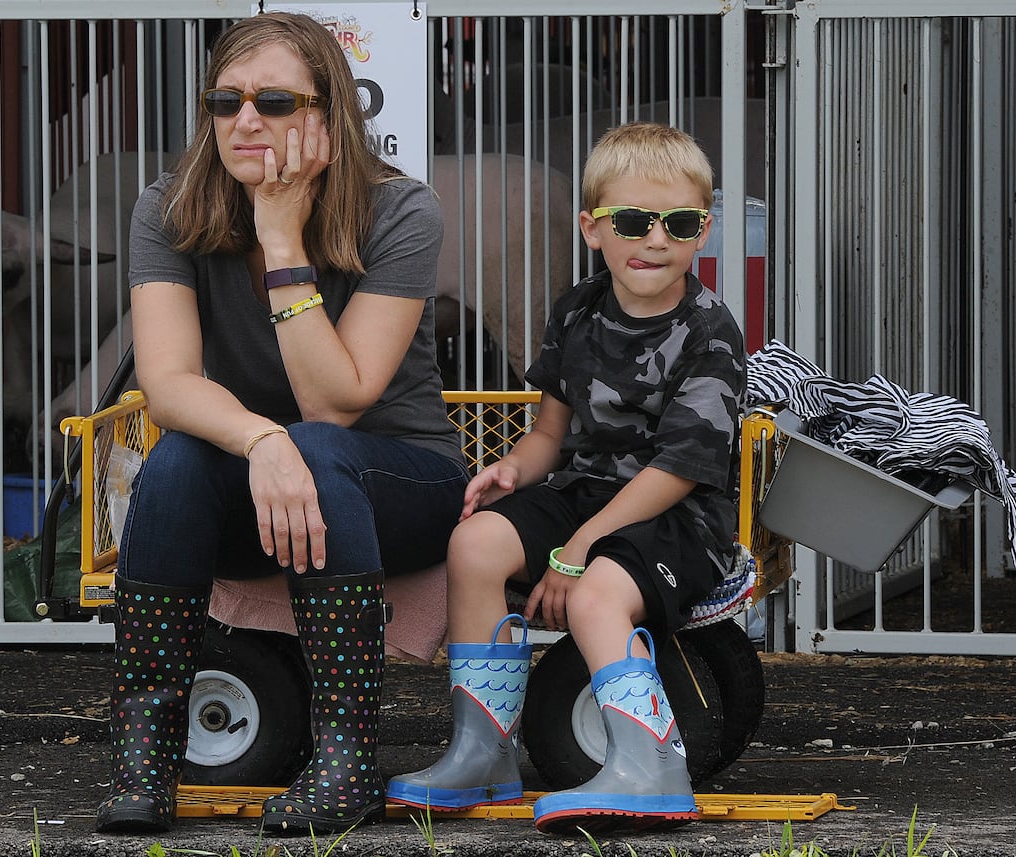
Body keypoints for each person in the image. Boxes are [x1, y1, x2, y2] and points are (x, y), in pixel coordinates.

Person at [94, 12, 468, 837]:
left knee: (319, 440)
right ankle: (146, 754)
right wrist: (261, 439)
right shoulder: (168, 208)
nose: (245, 120)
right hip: (261, 480)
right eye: (225, 101)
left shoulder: (402, 210)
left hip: (398, 483)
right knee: (178, 460)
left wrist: (278, 234)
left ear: (328, 115)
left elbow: (335, 401)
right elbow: (167, 384)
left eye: (272, 99)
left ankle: (346, 757)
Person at [387, 122, 746, 835]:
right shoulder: (576, 311)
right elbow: (551, 433)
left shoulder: (711, 332)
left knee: (594, 597)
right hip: (589, 493)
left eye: (677, 222)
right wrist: (511, 469)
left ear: (702, 230)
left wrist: (577, 549)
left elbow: (679, 467)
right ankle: (481, 752)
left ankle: (652, 767)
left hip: (681, 513)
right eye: (633, 221)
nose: (654, 239)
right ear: (592, 227)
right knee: (475, 546)